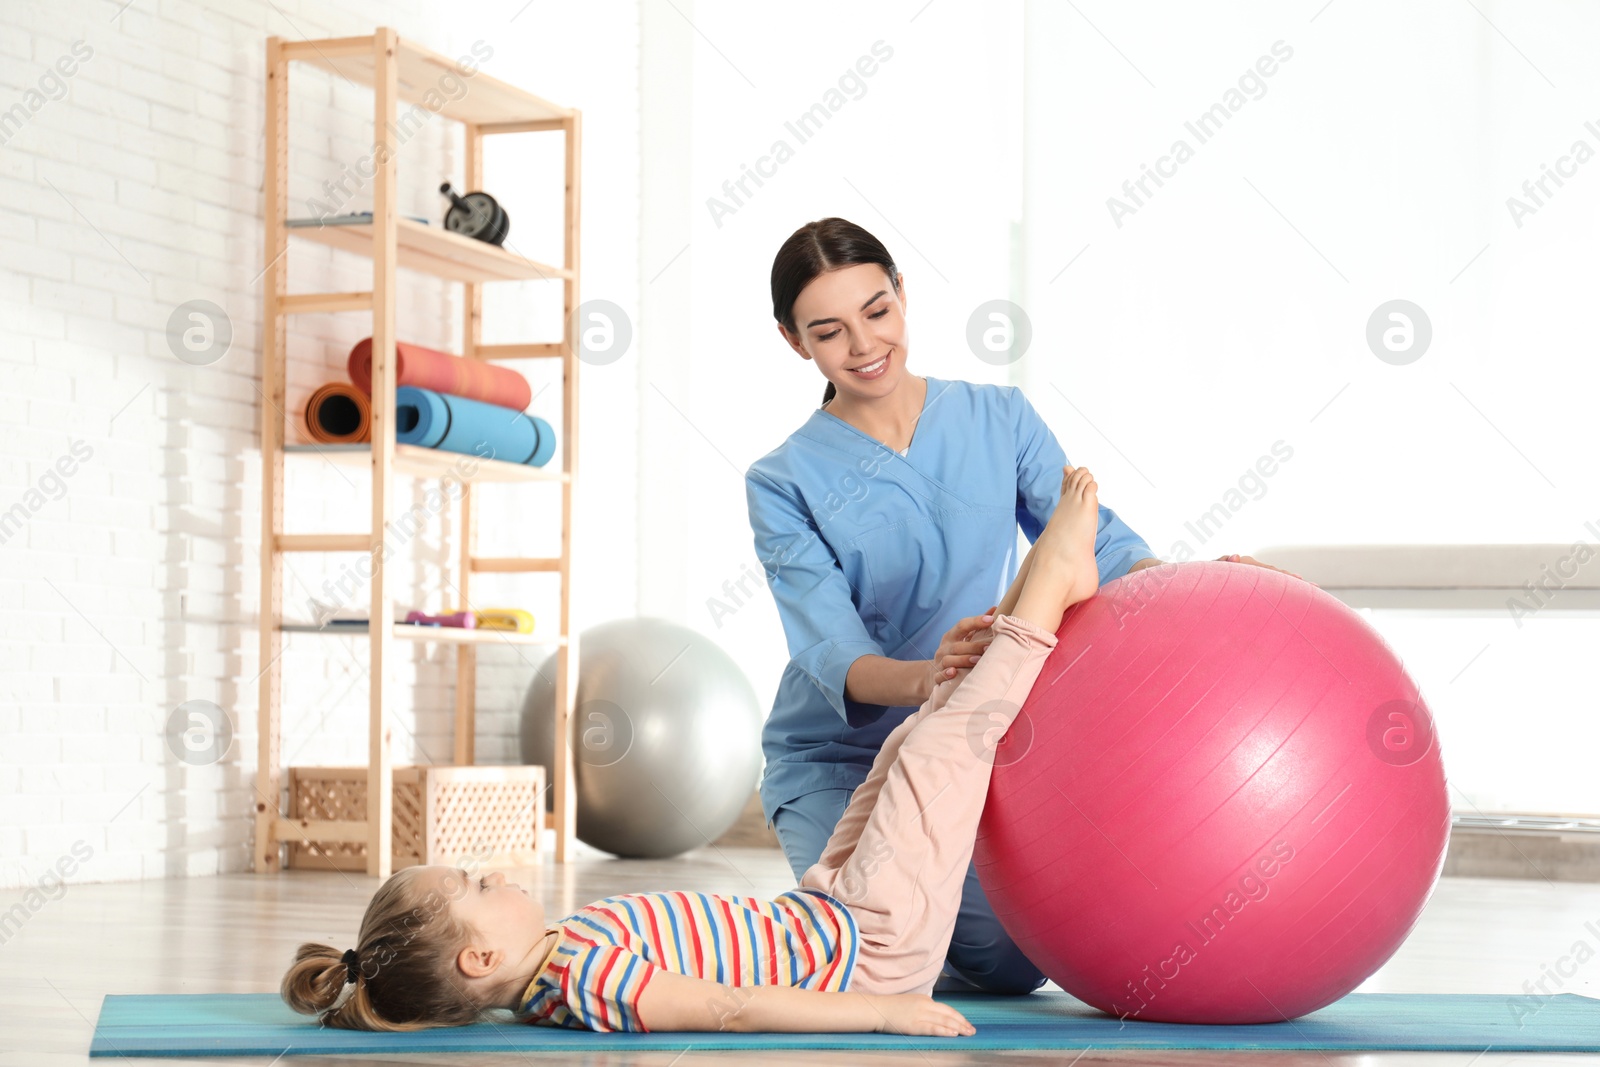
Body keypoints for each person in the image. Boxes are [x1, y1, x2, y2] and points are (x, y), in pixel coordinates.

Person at [282, 466, 1107, 1037]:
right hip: (869, 957)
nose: (491, 871)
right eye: (473, 885)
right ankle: (1047, 588)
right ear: (480, 955)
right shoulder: (582, 978)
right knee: (938, 755)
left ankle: (1027, 599)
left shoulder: (548, 959)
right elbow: (728, 1009)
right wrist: (885, 1011)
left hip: (827, 913)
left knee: (902, 745)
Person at [748, 216, 1303, 995]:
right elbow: (828, 649)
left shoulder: (998, 418)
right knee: (858, 945)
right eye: (829, 331)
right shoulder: (782, 479)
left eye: (878, 311)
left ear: (903, 295)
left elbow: (1104, 548)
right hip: (840, 753)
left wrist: (1195, 587)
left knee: (1009, 965)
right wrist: (928, 674)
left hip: (972, 736)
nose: (865, 344)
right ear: (793, 341)